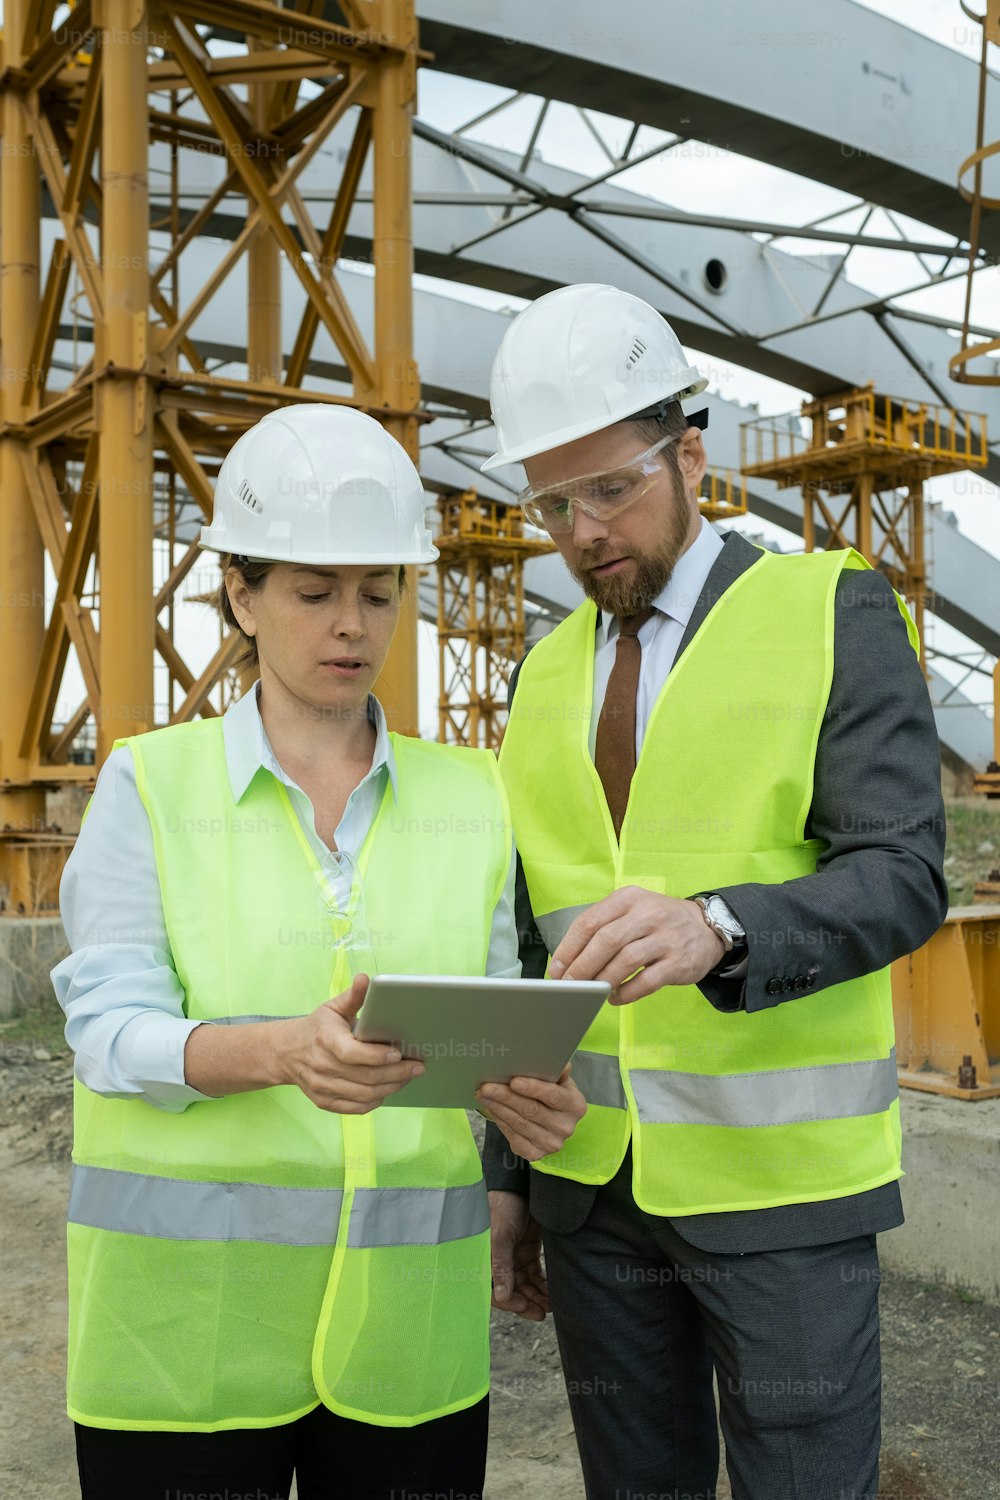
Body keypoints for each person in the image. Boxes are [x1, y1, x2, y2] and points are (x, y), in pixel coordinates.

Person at [51, 403, 585, 1500]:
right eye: (313, 592)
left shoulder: (473, 797)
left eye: (379, 593)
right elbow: (109, 1032)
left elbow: (485, 1022)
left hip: (405, 1353)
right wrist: (277, 1052)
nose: (353, 625)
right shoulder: (150, 786)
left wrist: (526, 1114)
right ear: (240, 596)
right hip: (187, 1344)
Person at [477, 283, 949, 1500]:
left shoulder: (826, 611)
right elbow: (534, 948)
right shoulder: (539, 677)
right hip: (590, 1188)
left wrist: (720, 925)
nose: (582, 530)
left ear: (691, 457)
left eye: (613, 487)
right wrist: (508, 1177)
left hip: (779, 1196)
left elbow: (901, 875)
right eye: (552, 502)